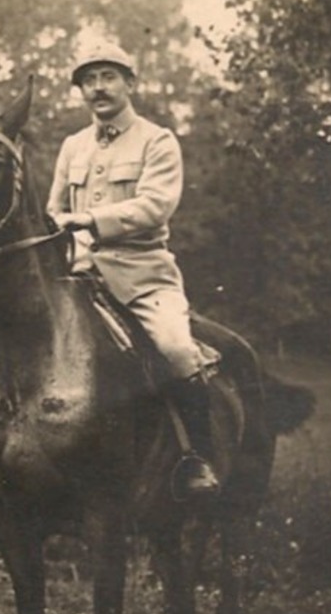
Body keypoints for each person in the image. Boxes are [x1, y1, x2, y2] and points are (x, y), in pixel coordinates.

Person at [44, 42, 222, 498]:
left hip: (142, 277)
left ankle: (196, 458)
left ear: (130, 83)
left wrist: (90, 220)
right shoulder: (72, 146)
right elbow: (54, 208)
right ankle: (2, 449)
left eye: (107, 76)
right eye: (88, 80)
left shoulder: (157, 140)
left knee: (177, 349)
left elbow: (156, 205)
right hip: (77, 276)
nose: (97, 88)